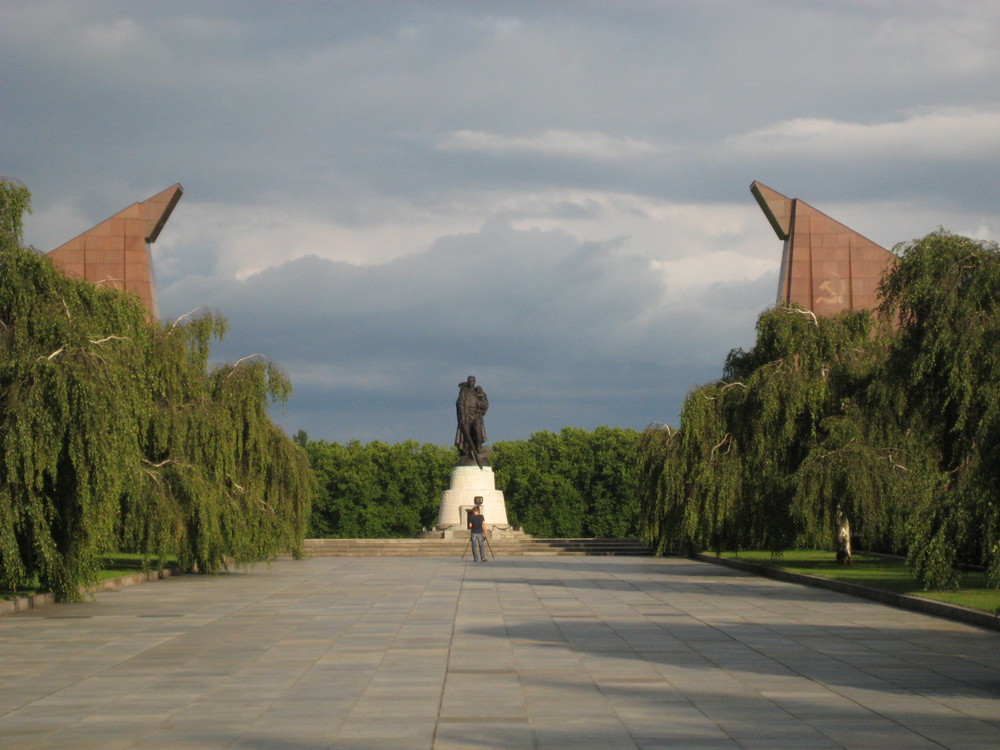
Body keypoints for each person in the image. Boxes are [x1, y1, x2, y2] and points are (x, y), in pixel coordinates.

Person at [455, 376, 489, 468]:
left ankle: (478, 448)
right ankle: (466, 451)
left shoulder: (478, 391)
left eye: (473, 380)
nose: (471, 382)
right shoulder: (464, 392)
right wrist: (462, 415)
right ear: (467, 381)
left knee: (477, 432)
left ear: (475, 382)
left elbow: (485, 403)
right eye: (470, 380)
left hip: (476, 415)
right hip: (466, 416)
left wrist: (482, 396)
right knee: (466, 434)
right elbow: (460, 403)